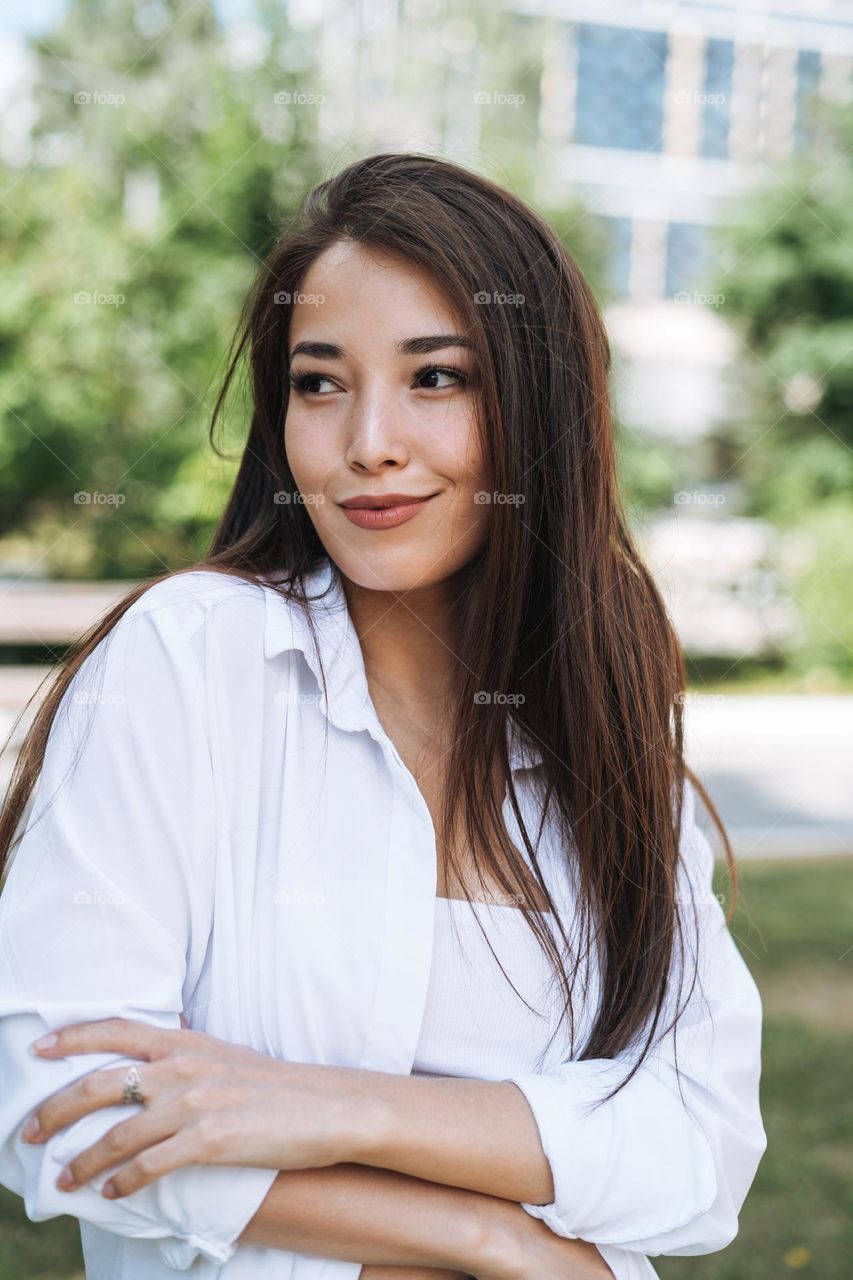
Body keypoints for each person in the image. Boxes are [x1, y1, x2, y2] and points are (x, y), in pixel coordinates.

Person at [0, 152, 767, 1280]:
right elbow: (64, 1105)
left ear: (537, 406)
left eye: (436, 377)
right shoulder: (188, 660)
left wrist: (335, 1110)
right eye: (319, 382)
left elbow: (700, 1145)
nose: (368, 441)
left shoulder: (602, 731)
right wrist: (491, 1234)